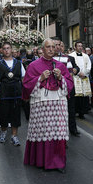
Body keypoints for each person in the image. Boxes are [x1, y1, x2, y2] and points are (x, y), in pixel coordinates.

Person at [23, 38, 73, 172]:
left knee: (58, 131)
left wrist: (61, 77)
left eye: (53, 47)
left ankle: (58, 162)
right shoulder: (34, 65)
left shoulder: (61, 66)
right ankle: (41, 160)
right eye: (48, 47)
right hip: (41, 105)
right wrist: (40, 78)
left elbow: (70, 84)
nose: (51, 49)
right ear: (42, 49)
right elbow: (26, 85)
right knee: (43, 131)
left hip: (58, 103)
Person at [0, 42, 25, 146]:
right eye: (4, 48)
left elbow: (23, 78)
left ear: (11, 50)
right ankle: (3, 131)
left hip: (16, 92)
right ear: (1, 50)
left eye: (8, 48)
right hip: (4, 92)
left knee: (16, 115)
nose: (6, 50)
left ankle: (14, 136)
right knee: (3, 114)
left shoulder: (18, 63)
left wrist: (25, 92)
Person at [70, 41, 91, 119]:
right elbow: (71, 67)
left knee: (83, 96)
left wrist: (84, 74)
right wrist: (79, 73)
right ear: (75, 47)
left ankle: (82, 112)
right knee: (76, 95)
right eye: (78, 46)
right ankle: (76, 111)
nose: (80, 47)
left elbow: (89, 66)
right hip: (76, 78)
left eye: (81, 46)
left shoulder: (86, 56)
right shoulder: (71, 56)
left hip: (84, 78)